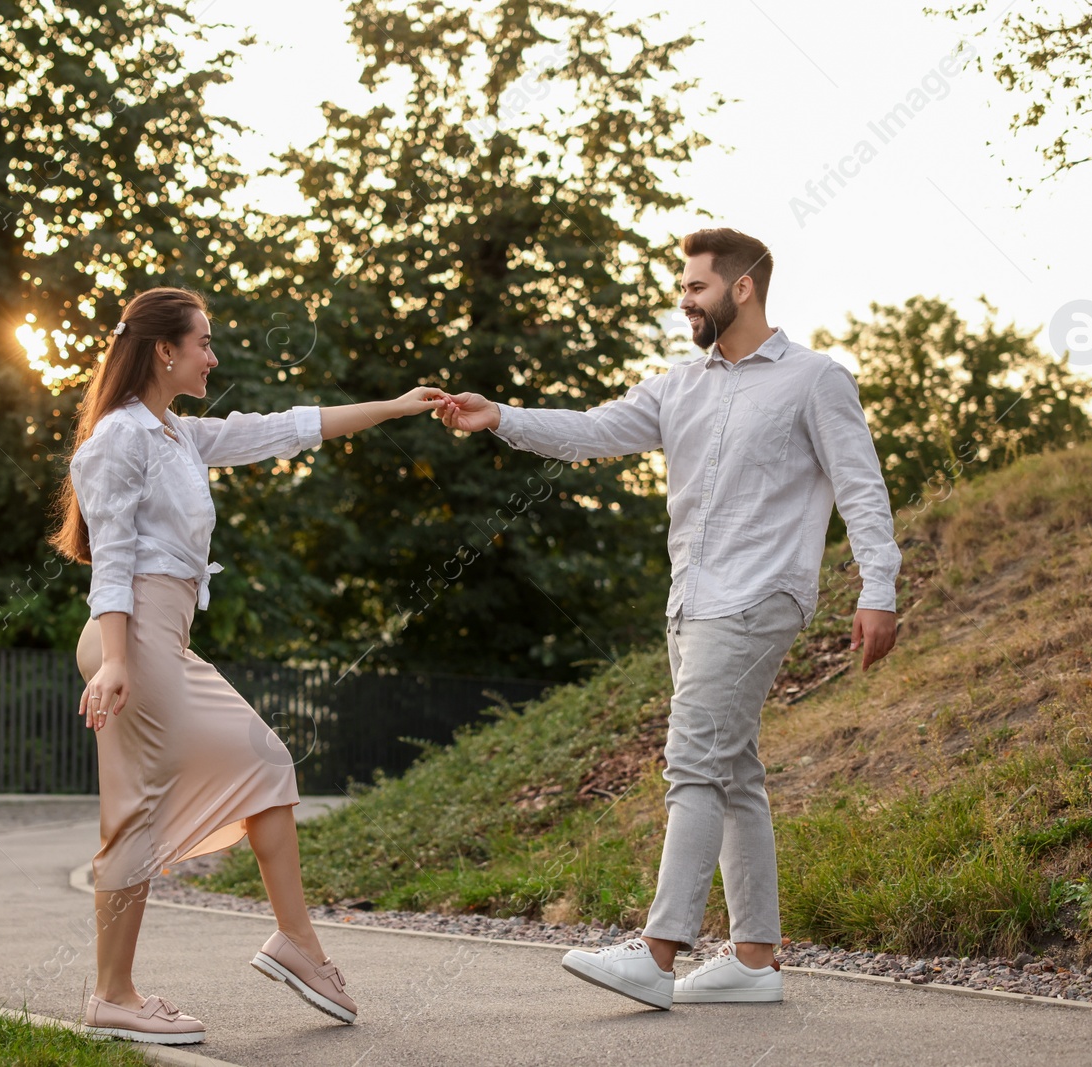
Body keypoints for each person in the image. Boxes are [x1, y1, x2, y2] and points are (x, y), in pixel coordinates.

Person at [436, 227, 901, 1009]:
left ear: (741, 288)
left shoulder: (815, 379)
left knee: (692, 760)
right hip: (692, 599)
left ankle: (657, 952)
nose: (682, 299)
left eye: (695, 286)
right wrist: (501, 417)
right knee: (733, 771)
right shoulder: (679, 385)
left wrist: (877, 587)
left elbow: (861, 485)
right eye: (684, 287)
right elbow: (590, 431)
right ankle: (754, 959)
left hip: (760, 593)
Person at [48, 285, 445, 1043]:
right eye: (203, 341)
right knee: (186, 787)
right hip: (131, 637)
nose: (213, 354)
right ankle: (118, 993)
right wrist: (118, 660)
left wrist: (394, 407)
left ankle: (280, 949)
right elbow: (114, 564)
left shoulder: (178, 437)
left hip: (160, 640)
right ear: (165, 350)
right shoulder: (116, 440)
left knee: (255, 767)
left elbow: (287, 428)